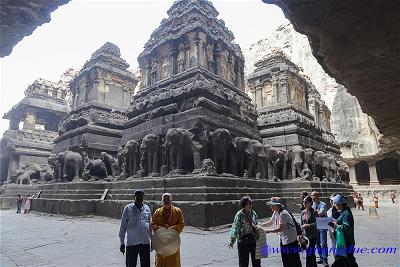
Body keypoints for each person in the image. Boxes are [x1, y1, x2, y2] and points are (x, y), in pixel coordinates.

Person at [260, 197, 302, 267]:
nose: (271, 207)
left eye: (272, 205)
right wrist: (260, 226)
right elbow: (270, 222)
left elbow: (280, 228)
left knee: (293, 260)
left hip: (290, 240)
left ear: (277, 205)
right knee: (286, 259)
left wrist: (267, 231)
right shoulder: (276, 212)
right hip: (284, 239)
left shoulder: (283, 214)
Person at [119, 189, 152, 267]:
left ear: (143, 197)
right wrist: (122, 243)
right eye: (138, 197)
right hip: (132, 242)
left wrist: (152, 241)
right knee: (131, 264)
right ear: (134, 197)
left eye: (141, 197)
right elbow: (123, 226)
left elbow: (150, 226)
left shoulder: (147, 208)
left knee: (146, 264)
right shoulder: (128, 208)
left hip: (145, 242)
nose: (140, 198)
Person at [151, 193, 184, 267]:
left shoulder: (178, 211)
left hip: (173, 241)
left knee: (173, 261)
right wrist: (161, 229)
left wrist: (170, 229)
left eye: (168, 199)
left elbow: (181, 224)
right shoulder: (157, 212)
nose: (166, 201)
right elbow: (153, 224)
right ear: (162, 201)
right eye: (164, 199)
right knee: (160, 261)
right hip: (161, 241)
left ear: (171, 200)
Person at [228, 196, 261, 267]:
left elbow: (257, 222)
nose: (251, 205)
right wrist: (232, 241)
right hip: (243, 242)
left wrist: (258, 227)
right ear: (244, 205)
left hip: (253, 240)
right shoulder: (239, 215)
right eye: (249, 203)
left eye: (251, 203)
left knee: (257, 262)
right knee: (243, 262)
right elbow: (235, 227)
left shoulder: (253, 213)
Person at [330, 195, 358, 267]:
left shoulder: (346, 213)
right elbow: (336, 216)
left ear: (340, 204)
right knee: (347, 260)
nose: (334, 205)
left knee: (348, 260)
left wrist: (336, 226)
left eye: (336, 203)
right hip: (343, 240)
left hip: (347, 241)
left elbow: (347, 227)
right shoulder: (343, 212)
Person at [311, 191, 328, 267]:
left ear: (317, 196)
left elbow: (320, 213)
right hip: (315, 226)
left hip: (322, 224)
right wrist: (316, 213)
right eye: (311, 196)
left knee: (323, 243)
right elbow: (311, 214)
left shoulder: (323, 204)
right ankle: (321, 257)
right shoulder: (312, 205)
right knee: (317, 243)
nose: (312, 198)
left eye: (313, 196)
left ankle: (325, 259)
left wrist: (316, 213)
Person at [301, 196, 318, 267]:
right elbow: (302, 223)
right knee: (310, 252)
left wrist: (308, 225)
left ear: (310, 203)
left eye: (305, 202)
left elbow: (317, 223)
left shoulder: (314, 212)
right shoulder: (303, 212)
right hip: (305, 235)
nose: (304, 203)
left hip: (312, 235)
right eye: (303, 202)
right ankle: (313, 265)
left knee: (309, 252)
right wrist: (301, 233)